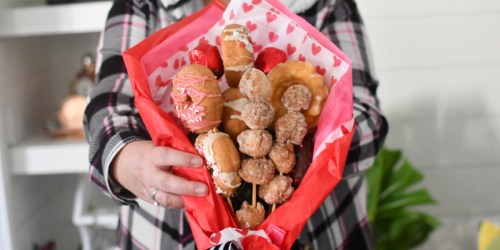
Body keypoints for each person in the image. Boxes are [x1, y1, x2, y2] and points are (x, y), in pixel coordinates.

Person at [83, 0, 389, 249]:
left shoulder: (324, 5)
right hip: (164, 235)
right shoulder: (142, 5)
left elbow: (367, 120)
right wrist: (125, 158)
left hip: (321, 232)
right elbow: (108, 107)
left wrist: (304, 148)